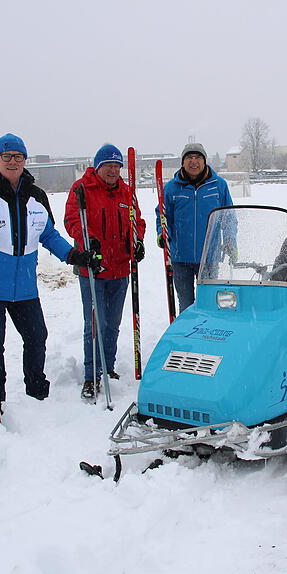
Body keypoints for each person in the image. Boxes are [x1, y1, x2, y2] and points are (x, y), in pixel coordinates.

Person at [0, 133, 100, 411]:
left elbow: (48, 234)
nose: (12, 162)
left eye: (17, 157)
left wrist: (73, 255)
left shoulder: (36, 196)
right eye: (6, 157)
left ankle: (36, 390)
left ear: (24, 160)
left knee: (37, 336)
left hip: (25, 288)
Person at [64, 144, 146, 400]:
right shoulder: (81, 189)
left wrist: (138, 240)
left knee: (113, 324)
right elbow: (72, 220)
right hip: (92, 269)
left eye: (116, 166)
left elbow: (138, 221)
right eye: (108, 166)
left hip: (120, 268)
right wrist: (88, 241)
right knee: (95, 324)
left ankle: (107, 366)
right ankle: (91, 375)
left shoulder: (127, 192)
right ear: (98, 167)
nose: (112, 170)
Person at [156, 143, 233, 312]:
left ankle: (209, 335)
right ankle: (188, 336)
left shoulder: (218, 185)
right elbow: (162, 216)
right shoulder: (171, 188)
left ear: (204, 160)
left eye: (197, 157)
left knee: (209, 303)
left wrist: (230, 240)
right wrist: (162, 233)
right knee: (186, 305)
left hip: (209, 257)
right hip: (180, 257)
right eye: (189, 157)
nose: (193, 161)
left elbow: (229, 217)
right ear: (183, 162)